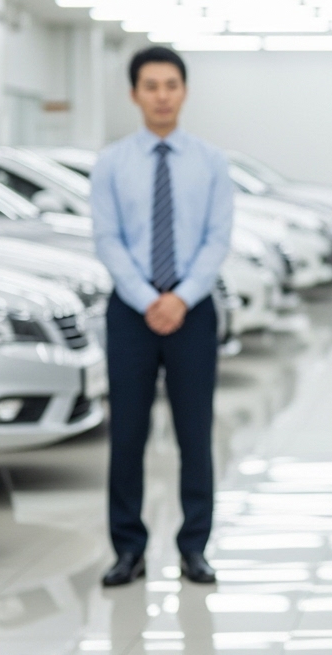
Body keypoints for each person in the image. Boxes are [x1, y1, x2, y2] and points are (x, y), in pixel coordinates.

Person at [92, 46, 234, 587]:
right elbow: (107, 238)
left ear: (184, 91)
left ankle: (193, 547)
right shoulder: (111, 163)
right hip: (130, 312)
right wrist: (145, 297)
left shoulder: (210, 161)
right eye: (150, 86)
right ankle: (128, 549)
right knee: (127, 434)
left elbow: (216, 238)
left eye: (171, 84)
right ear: (134, 94)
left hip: (193, 311)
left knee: (194, 434)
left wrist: (180, 297)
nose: (161, 95)